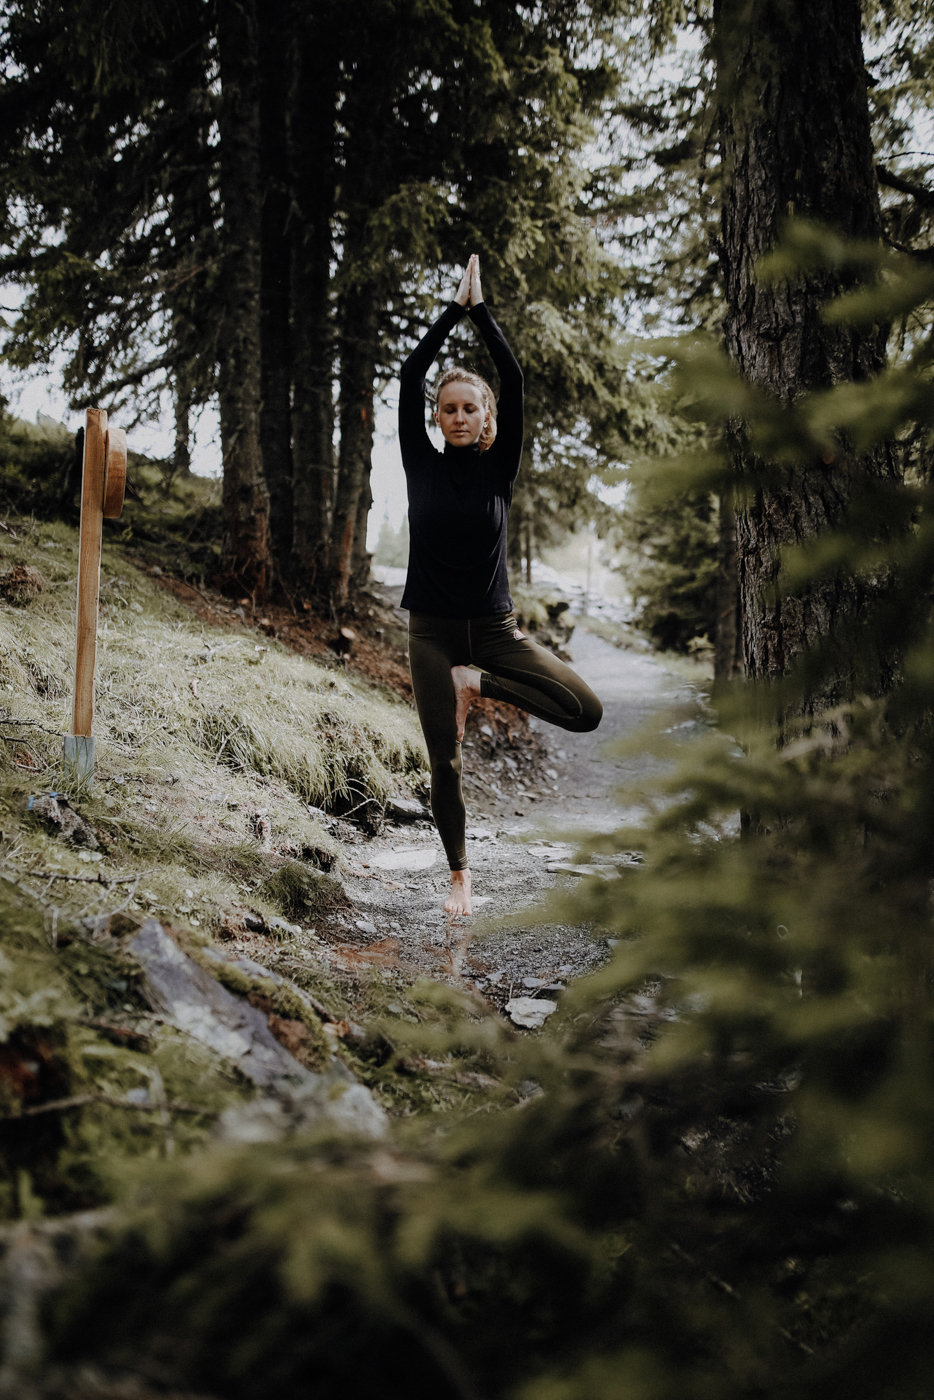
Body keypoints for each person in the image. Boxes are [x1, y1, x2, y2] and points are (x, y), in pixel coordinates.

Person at [399, 255, 603, 916]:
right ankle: (459, 872)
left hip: (493, 631)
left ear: (486, 418)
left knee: (583, 710)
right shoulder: (420, 464)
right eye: (449, 408)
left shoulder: (499, 469)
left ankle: (475, 685)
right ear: (437, 418)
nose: (459, 417)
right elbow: (409, 374)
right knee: (445, 762)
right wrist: (447, 315)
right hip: (430, 631)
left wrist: (479, 311)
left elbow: (512, 376)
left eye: (470, 409)